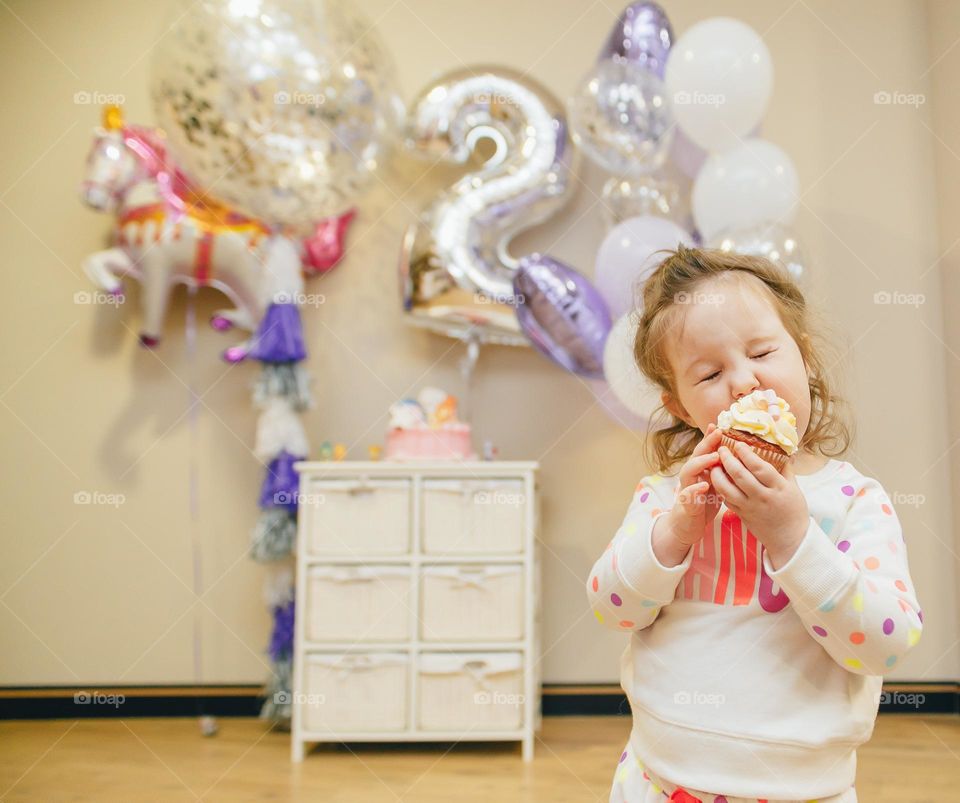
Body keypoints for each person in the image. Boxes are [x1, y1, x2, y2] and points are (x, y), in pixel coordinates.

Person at [586, 245, 924, 803]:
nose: (743, 382)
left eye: (763, 352)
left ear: (806, 357)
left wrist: (793, 537)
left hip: (806, 789)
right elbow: (610, 607)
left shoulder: (853, 501)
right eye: (710, 373)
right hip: (663, 780)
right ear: (681, 408)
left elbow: (886, 646)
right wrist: (674, 536)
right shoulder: (667, 499)